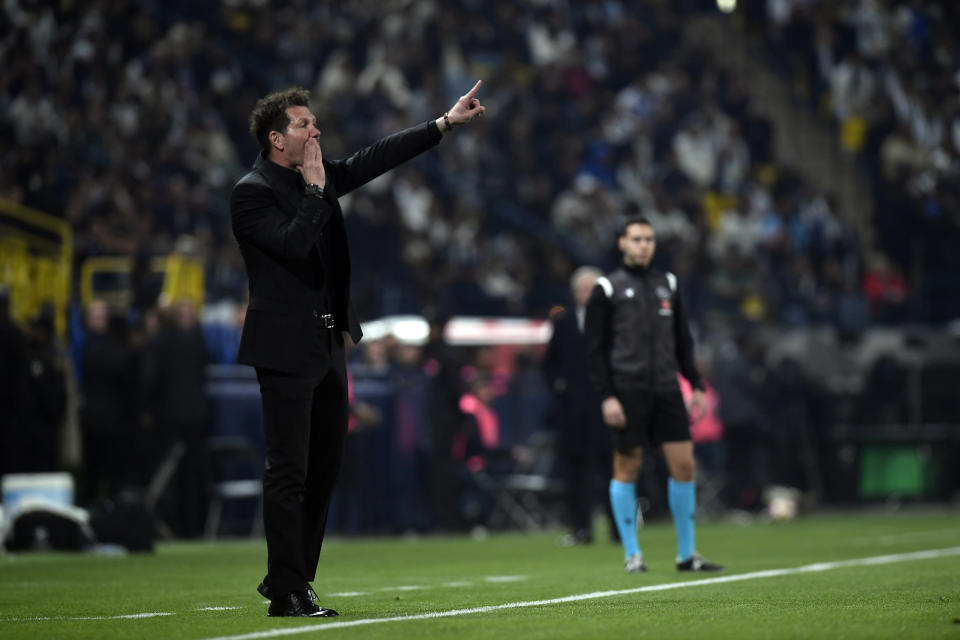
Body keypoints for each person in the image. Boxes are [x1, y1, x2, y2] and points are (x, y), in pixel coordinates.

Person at [231, 82, 485, 617]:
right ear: (278, 138)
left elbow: (376, 158)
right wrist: (318, 191)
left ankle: (292, 577)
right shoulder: (251, 192)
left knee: (325, 465)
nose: (316, 131)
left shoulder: (315, 179)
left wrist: (443, 123)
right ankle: (287, 590)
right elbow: (293, 246)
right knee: (288, 469)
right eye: (305, 125)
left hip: (326, 340)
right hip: (282, 346)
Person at [584, 216, 724, 574]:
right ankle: (632, 553)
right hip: (627, 389)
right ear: (622, 243)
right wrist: (607, 396)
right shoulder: (607, 288)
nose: (643, 245)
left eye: (648, 239)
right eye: (636, 239)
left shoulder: (669, 284)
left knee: (684, 466)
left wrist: (693, 384)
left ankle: (687, 554)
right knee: (627, 466)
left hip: (665, 388)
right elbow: (595, 350)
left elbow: (682, 341)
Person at [542, 266, 616, 546]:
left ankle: (619, 530)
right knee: (575, 470)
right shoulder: (563, 321)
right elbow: (549, 364)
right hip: (573, 411)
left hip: (608, 408)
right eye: (581, 290)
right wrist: (558, 386)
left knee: (612, 470)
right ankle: (580, 529)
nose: (585, 294)